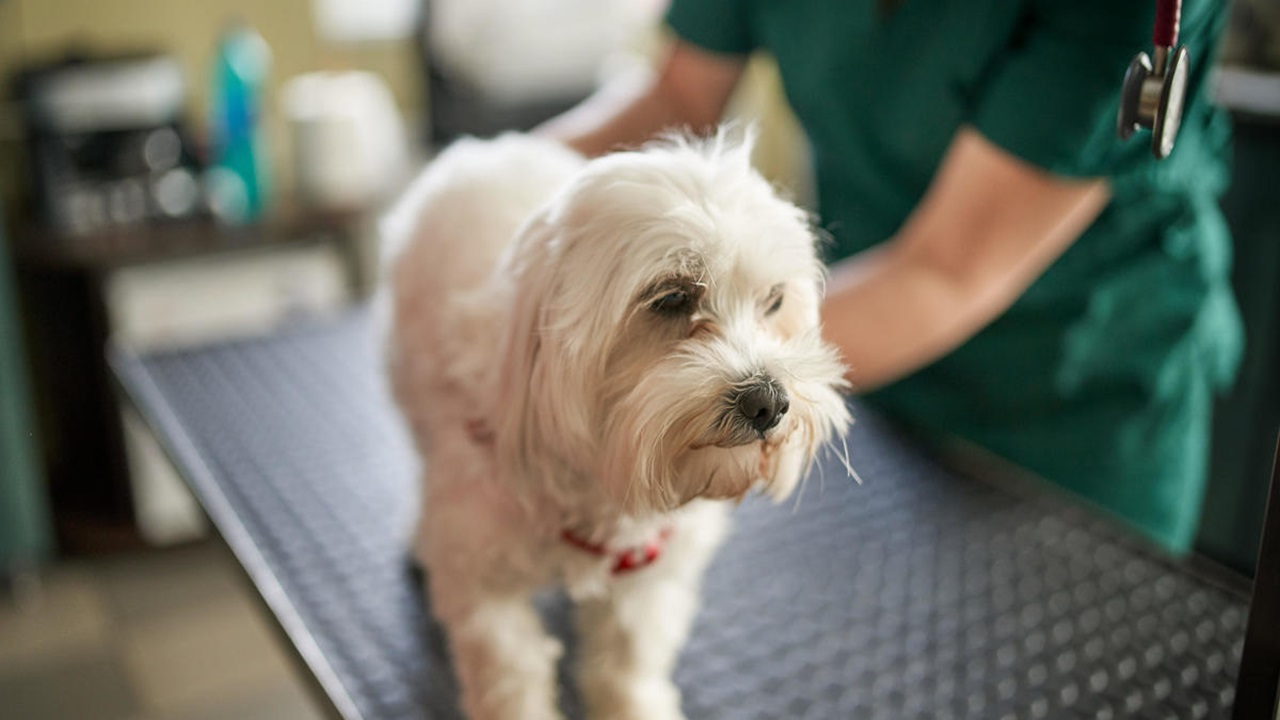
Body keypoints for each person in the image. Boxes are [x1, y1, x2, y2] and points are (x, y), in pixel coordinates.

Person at [534, 0, 1242, 554]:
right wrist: (483, 192)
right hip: (865, 378)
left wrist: (656, 391)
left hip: (1082, 400)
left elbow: (946, 272)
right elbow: (677, 98)